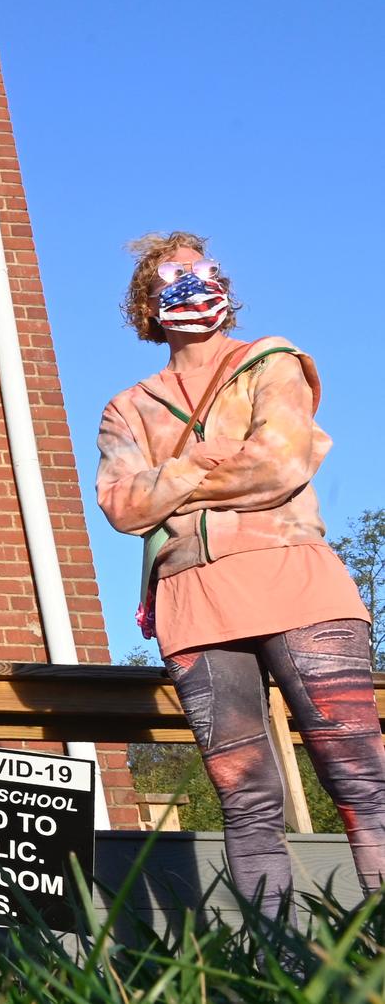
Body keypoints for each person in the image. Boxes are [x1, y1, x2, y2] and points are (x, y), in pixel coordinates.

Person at [96, 231, 385, 919]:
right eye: (177, 278)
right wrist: (209, 460)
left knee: (361, 779)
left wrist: (171, 483)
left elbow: (280, 464)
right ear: (149, 304)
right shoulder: (127, 408)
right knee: (246, 797)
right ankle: (273, 968)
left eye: (207, 273)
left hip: (297, 582)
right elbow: (123, 504)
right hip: (193, 602)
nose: (197, 288)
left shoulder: (272, 365)